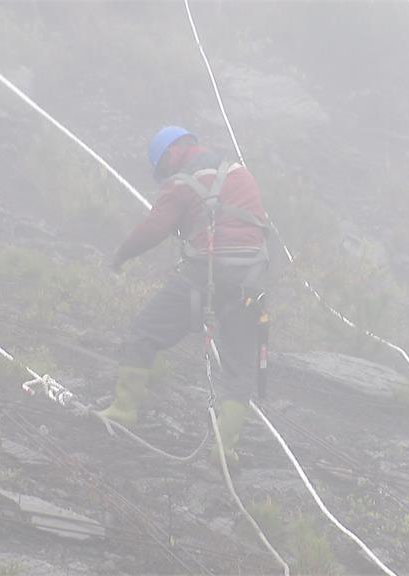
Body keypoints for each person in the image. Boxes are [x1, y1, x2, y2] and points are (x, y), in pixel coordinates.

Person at [97, 126, 270, 466]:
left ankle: (123, 409)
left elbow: (153, 229)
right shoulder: (241, 174)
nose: (165, 177)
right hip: (251, 281)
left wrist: (120, 256)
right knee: (240, 367)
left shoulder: (179, 185)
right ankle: (224, 449)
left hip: (203, 276)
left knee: (146, 329)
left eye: (163, 169)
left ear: (172, 152)